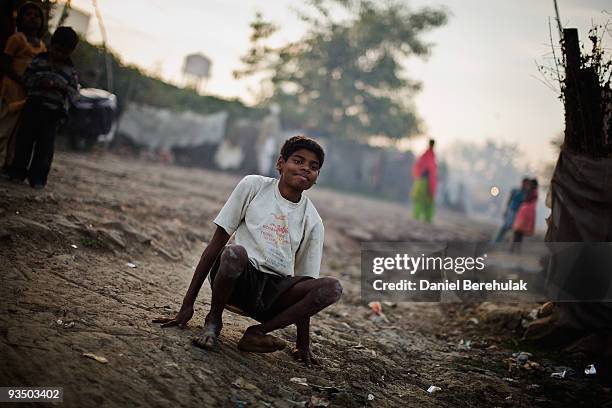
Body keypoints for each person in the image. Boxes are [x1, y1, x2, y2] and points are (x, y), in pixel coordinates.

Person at [153, 136, 342, 366]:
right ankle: (213, 321)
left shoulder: (313, 221)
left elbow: (305, 285)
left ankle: (258, 333)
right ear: (280, 163)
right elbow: (217, 243)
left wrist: (303, 343)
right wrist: (187, 306)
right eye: (298, 161)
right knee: (235, 253)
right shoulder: (253, 186)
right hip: (238, 279)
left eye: (313, 167)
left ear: (317, 177)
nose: (305, 168)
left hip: (274, 294)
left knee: (332, 287)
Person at [6, 26, 79, 189]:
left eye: (64, 52)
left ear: (70, 52)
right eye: (57, 50)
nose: (59, 54)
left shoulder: (70, 71)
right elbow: (27, 77)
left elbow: (74, 93)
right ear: (51, 45)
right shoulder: (39, 60)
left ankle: (38, 178)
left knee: (44, 148)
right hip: (33, 107)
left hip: (52, 113)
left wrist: (62, 88)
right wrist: (40, 81)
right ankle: (17, 172)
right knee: (24, 141)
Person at [0, 1, 46, 170]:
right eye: (28, 15)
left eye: (36, 15)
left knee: (17, 133)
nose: (32, 18)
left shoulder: (41, 46)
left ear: (42, 21)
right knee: (4, 127)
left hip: (28, 94)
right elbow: (5, 63)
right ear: (20, 19)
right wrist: (21, 80)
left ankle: (9, 165)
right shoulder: (16, 39)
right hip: (11, 91)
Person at [495, 177, 530, 242]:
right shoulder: (515, 190)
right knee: (505, 226)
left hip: (519, 213)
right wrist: (506, 210)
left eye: (527, 184)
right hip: (511, 210)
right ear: (522, 183)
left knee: (515, 229)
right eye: (525, 183)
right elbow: (509, 200)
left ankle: (506, 242)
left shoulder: (527, 194)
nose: (525, 185)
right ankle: (497, 241)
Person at [411, 139, 437, 223]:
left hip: (429, 181)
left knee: (429, 199)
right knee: (420, 198)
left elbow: (433, 169)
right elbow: (419, 166)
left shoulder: (432, 155)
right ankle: (417, 215)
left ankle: (427, 218)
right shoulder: (426, 155)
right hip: (423, 180)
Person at [511, 178, 538, 253]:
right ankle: (517, 249)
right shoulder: (535, 192)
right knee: (520, 232)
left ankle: (513, 248)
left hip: (525, 212)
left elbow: (526, 199)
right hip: (529, 212)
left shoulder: (531, 191)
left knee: (517, 231)